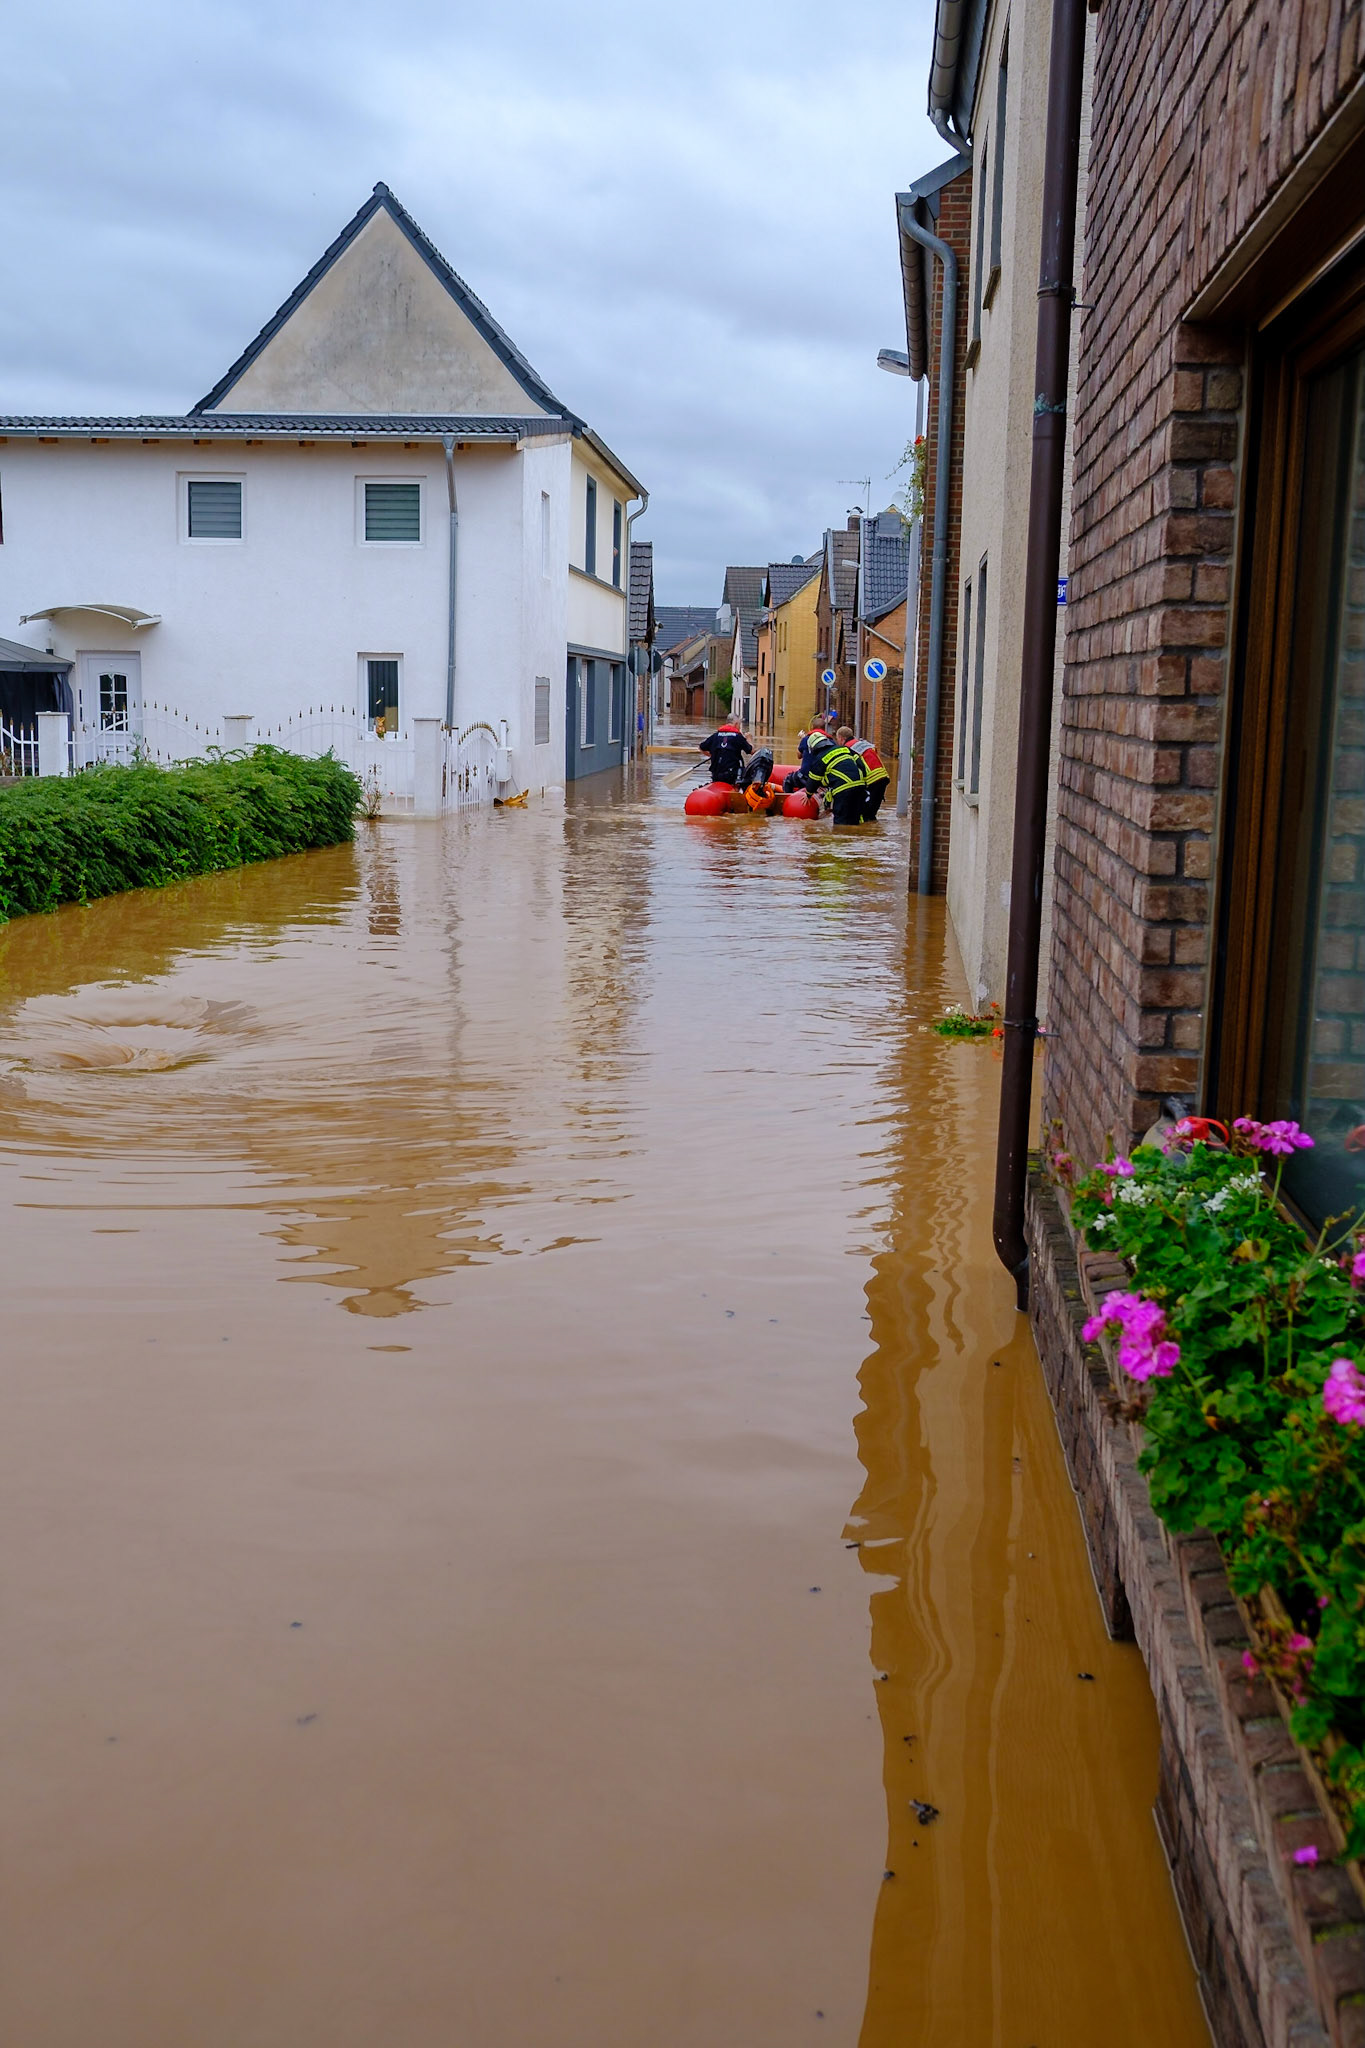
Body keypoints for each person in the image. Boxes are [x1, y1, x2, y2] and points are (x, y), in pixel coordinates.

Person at [805, 729, 868, 824]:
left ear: (813, 748)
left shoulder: (820, 759)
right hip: (860, 788)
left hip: (843, 791)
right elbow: (862, 766)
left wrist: (808, 795)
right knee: (856, 820)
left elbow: (813, 782)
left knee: (841, 824)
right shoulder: (845, 749)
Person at [839, 727, 891, 820]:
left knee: (864, 814)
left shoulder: (847, 749)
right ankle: (873, 831)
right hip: (883, 777)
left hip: (871, 780)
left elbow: (852, 769)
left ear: (841, 738)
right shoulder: (864, 744)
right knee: (872, 813)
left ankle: (865, 832)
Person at [698, 717, 752, 785]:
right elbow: (751, 751)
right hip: (732, 775)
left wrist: (712, 756)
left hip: (716, 774)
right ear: (736, 724)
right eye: (739, 725)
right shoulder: (738, 737)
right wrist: (749, 739)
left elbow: (701, 747)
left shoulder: (715, 736)